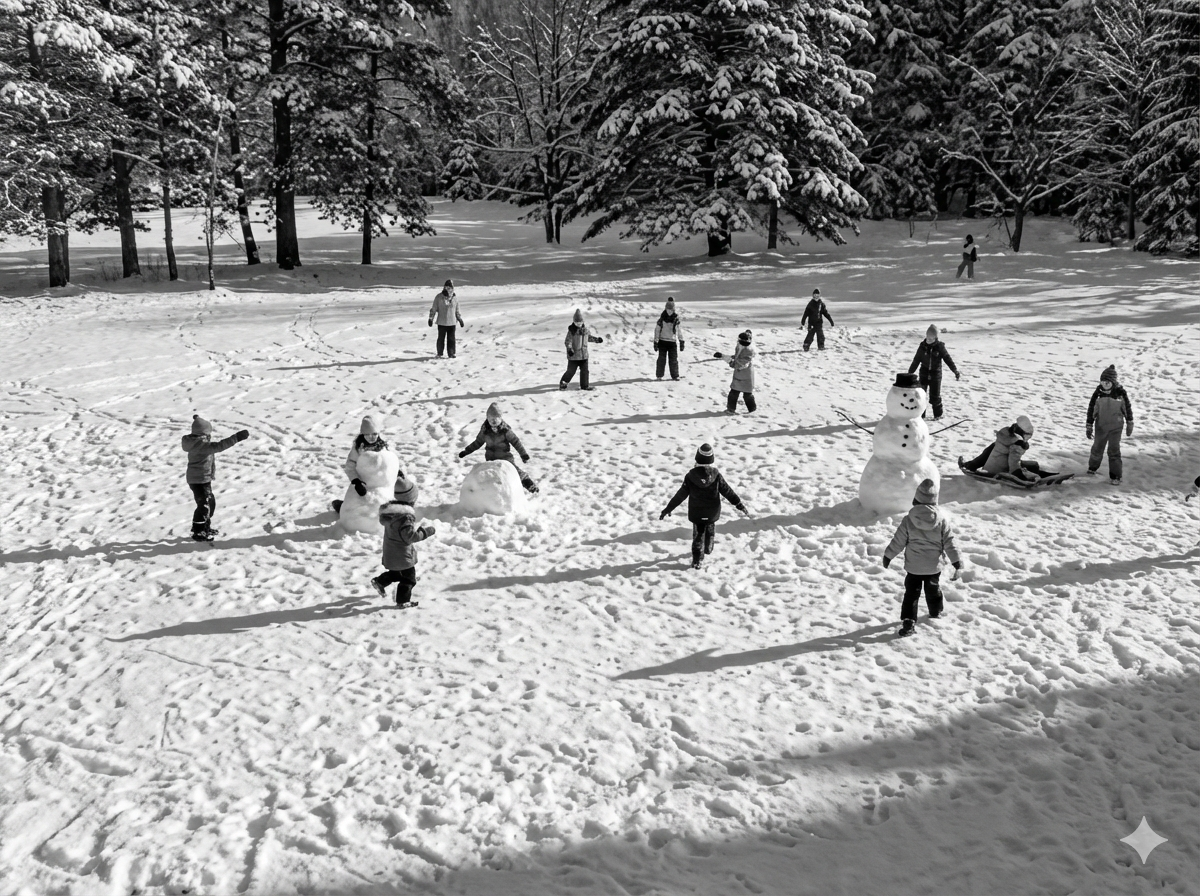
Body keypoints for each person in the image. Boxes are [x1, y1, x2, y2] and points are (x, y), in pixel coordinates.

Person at [882, 478, 963, 637]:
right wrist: (956, 562)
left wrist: (888, 555)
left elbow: (898, 541)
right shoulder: (941, 521)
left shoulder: (908, 520)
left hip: (914, 567)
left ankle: (909, 621)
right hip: (933, 567)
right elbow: (949, 543)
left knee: (911, 594)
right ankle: (935, 611)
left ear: (916, 499)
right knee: (933, 589)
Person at [660, 443, 750, 569]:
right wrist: (739, 504)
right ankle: (708, 547)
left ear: (697, 458)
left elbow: (680, 495)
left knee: (698, 535)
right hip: (712, 512)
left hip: (697, 513)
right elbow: (728, 491)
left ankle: (697, 560)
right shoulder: (716, 475)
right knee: (710, 528)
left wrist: (668, 509)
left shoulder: (690, 476)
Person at [181, 415, 249, 542]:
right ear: (203, 433)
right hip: (199, 480)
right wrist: (236, 438)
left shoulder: (195, 442)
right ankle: (198, 531)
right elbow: (220, 446)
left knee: (209, 503)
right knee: (204, 505)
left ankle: (205, 527)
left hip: (202, 479)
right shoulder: (201, 445)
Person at [372, 475, 435, 608]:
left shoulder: (390, 513)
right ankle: (402, 601)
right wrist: (426, 531)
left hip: (391, 552)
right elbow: (410, 537)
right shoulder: (405, 518)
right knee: (409, 579)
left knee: (396, 573)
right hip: (402, 556)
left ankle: (380, 582)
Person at [458, 402, 539, 493]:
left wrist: (523, 454)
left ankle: (528, 484)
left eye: (496, 419)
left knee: (515, 471)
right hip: (490, 459)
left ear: (500, 418)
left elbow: (516, 442)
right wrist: (466, 451)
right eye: (490, 419)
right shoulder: (485, 431)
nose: (493, 421)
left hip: (505, 458)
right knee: (488, 476)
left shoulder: (505, 430)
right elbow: (477, 442)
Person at [1086, 365, 1134, 485]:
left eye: (1108, 382)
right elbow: (1092, 409)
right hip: (1101, 426)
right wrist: (1089, 425)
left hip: (1115, 428)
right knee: (1097, 448)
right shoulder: (1098, 394)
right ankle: (1092, 467)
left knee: (1114, 451)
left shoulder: (1120, 394)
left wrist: (1129, 422)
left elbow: (1127, 408)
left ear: (1113, 382)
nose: (1105, 384)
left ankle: (1116, 475)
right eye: (1103, 382)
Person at [333, 415, 390, 514]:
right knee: (356, 507)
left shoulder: (382, 447)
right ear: (362, 434)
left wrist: (397, 472)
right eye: (367, 434)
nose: (371, 437)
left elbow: (389, 462)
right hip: (363, 483)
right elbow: (350, 466)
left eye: (374, 434)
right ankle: (343, 507)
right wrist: (356, 481)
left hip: (379, 483)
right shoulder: (358, 448)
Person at [959, 415, 1038, 481]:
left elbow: (986, 453)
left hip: (990, 467)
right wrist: (1019, 476)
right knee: (1034, 466)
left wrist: (972, 464)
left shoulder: (1004, 438)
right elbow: (1013, 462)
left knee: (993, 447)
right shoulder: (1017, 443)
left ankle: (972, 465)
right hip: (1001, 471)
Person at [908, 324, 961, 420]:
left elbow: (947, 359)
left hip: (936, 376)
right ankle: (921, 416)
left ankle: (938, 415)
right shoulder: (922, 347)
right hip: (923, 374)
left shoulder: (939, 347)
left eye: (931, 339)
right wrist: (909, 374)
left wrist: (955, 371)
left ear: (936, 338)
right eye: (928, 338)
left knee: (935, 397)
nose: (929, 340)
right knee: (921, 396)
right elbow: (916, 361)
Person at [560, 308, 604, 390]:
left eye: (580, 322)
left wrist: (597, 340)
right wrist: (570, 350)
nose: (579, 324)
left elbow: (589, 338)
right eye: (577, 322)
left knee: (585, 371)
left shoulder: (586, 330)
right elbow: (567, 342)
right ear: (574, 322)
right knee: (571, 371)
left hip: (584, 355)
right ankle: (563, 382)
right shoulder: (571, 331)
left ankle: (585, 386)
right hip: (574, 355)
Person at [428, 279, 465, 358]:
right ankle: (439, 353)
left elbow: (457, 310)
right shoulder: (439, 297)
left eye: (450, 287)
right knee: (441, 339)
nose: (448, 289)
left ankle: (451, 353)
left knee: (451, 339)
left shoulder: (455, 298)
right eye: (446, 287)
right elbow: (434, 309)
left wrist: (460, 319)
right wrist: (431, 318)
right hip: (442, 322)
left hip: (452, 322)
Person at [724, 329, 756, 413]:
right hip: (739, 374)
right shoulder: (739, 346)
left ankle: (752, 410)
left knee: (746, 395)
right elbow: (737, 357)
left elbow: (740, 364)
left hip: (746, 375)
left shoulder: (748, 351)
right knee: (734, 393)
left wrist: (727, 359)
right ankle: (731, 409)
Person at [653, 297, 685, 381]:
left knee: (669, 360)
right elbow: (657, 330)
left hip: (668, 342)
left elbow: (678, 330)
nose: (669, 311)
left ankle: (670, 375)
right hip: (666, 342)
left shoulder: (673, 319)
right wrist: (656, 341)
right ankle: (664, 375)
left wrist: (681, 341)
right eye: (668, 309)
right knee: (666, 360)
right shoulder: (663, 319)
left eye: (671, 309)